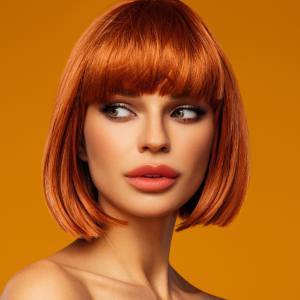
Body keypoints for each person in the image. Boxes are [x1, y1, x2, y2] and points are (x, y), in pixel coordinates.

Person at [1, 0, 249, 299]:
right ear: (79, 137)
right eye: (119, 110)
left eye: (183, 112)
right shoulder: (48, 291)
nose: (155, 139)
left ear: (217, 136)